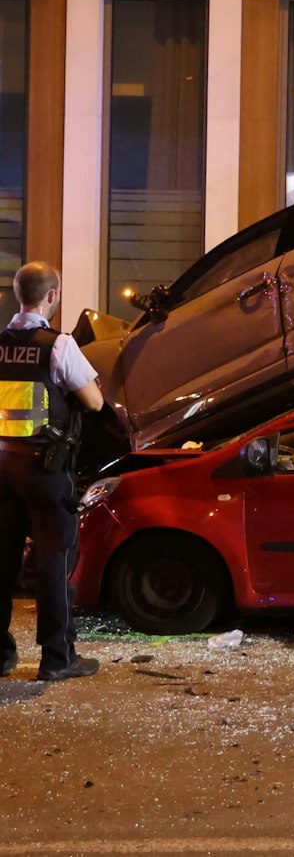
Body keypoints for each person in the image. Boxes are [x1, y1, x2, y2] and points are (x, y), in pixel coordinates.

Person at [0, 262, 110, 682]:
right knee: (54, 559)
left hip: (2, 467)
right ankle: (58, 658)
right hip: (45, 470)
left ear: (18, 295)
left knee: (1, 562)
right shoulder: (57, 345)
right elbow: (95, 401)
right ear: (51, 296)